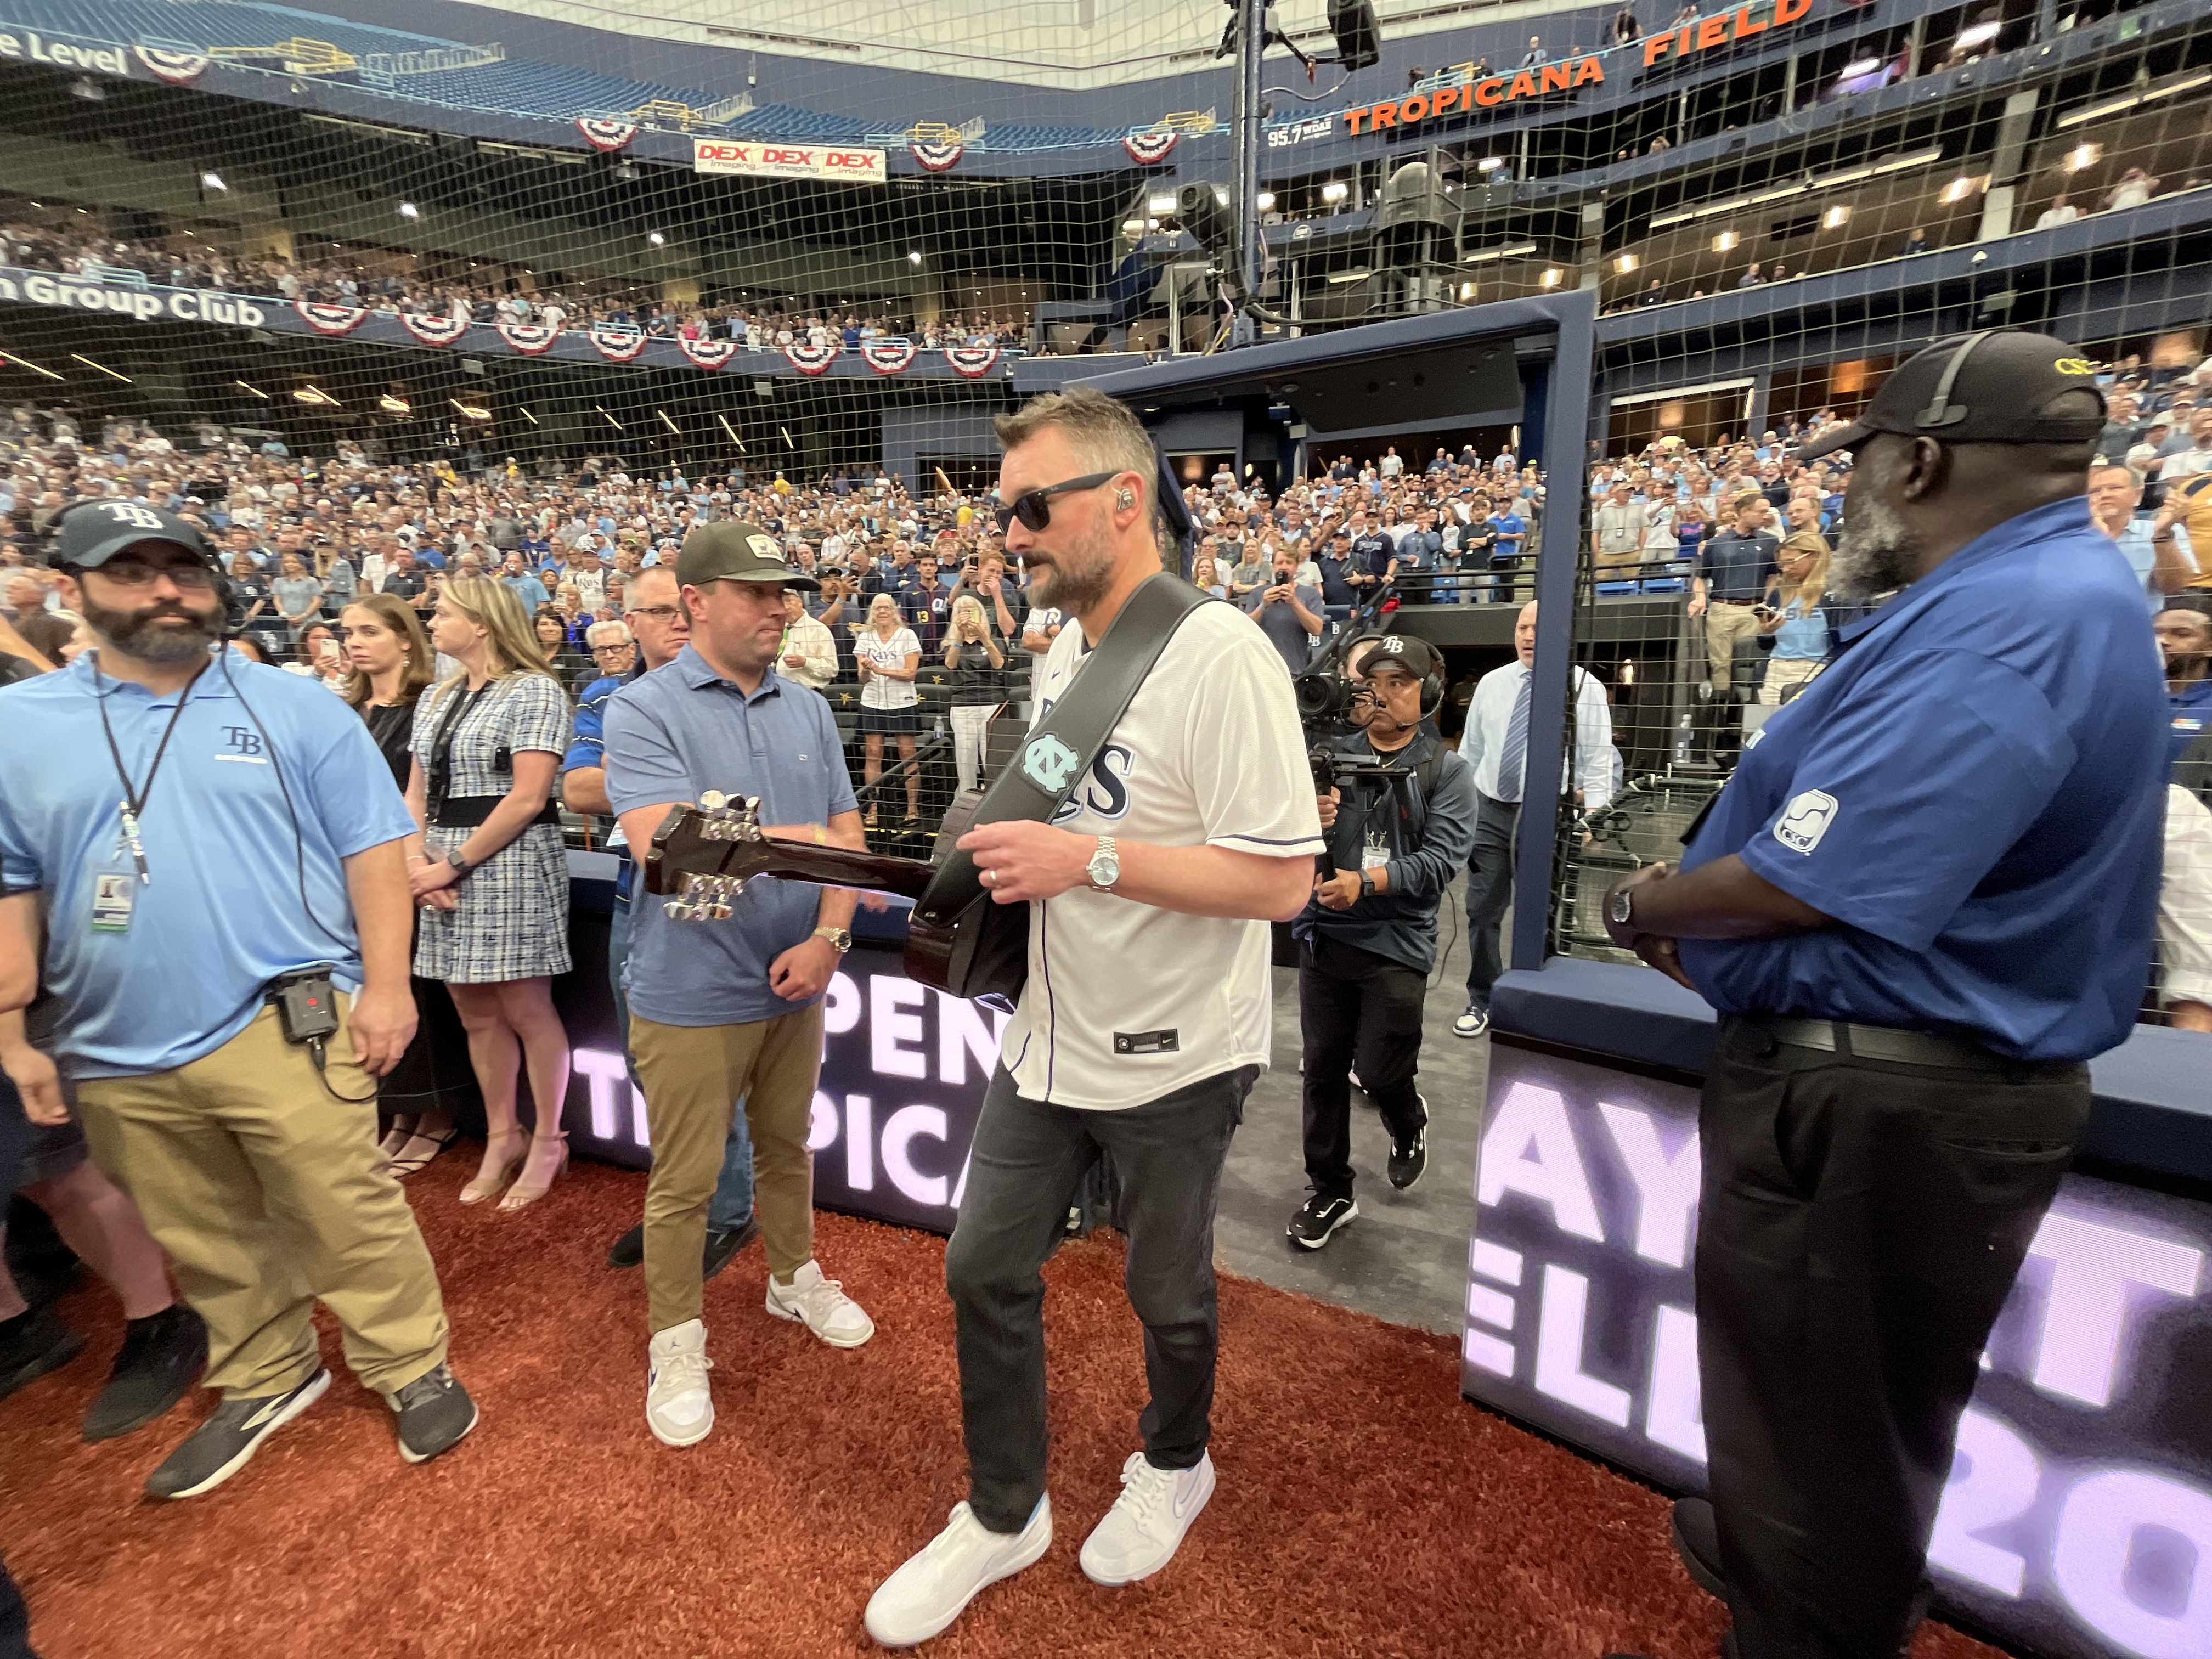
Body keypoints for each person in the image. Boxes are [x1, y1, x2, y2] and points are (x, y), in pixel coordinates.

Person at [1601, 334, 2165, 1659]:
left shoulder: (2020, 613)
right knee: (1831, 1427)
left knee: (1825, 1454)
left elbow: (1816, 881)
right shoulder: (2044, 588)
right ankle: (1780, 1557)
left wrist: (1641, 904)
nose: (1850, 494)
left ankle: (1798, 1595)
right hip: (1896, 1081)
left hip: (1884, 1095)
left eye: (1861, 465)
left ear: (1919, 460)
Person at [865, 387, 1321, 1647]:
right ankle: (1006, 1511)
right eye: (1006, 509)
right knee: (982, 1267)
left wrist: (1093, 862)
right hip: (1051, 1039)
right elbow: (1056, 832)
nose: (1009, 532)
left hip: (1182, 1053)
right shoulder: (1063, 651)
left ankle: (1177, 1459)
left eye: (1032, 506)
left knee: (1166, 1293)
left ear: (1126, 500)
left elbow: (1282, 878)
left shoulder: (1222, 654)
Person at [0, 501, 473, 1498]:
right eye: (133, 570)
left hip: (284, 1009)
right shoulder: (18, 723)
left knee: (343, 1201)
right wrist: (12, 1026)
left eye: (183, 567)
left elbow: (374, 854)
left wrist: (387, 988)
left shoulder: (295, 706)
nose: (166, 588)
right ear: (74, 588)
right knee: (198, 1221)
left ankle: (408, 1359)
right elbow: (12, 881)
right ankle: (267, 1369)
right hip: (108, 1036)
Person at [602, 521, 875, 1451]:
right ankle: (676, 1338)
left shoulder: (809, 707)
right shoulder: (643, 707)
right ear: (696, 601)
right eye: (757, 590)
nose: (779, 605)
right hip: (687, 986)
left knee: (788, 1147)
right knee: (684, 1180)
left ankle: (792, 1275)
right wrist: (801, 845)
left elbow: (850, 831)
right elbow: (673, 858)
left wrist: (833, 933)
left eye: (784, 590)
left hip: (796, 975)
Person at [561, 565, 761, 1284]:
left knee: (710, 1067)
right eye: (661, 611)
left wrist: (638, 776)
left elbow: (742, 802)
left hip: (723, 887)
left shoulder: (738, 687)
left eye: (688, 608)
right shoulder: (604, 695)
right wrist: (653, 775)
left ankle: (728, 1211)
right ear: (631, 624)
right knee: (654, 1065)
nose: (679, 621)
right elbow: (575, 786)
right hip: (630, 895)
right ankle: (684, 1204)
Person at [1288, 636, 1476, 1249]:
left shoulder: (1446, 771)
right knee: (1322, 1070)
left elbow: (1440, 861)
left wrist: (1365, 883)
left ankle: (1407, 1118)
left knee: (1377, 1069)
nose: (1384, 692)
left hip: (1396, 940)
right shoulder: (1327, 757)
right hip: (1324, 936)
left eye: (1400, 680)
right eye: (1376, 680)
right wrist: (1305, 821)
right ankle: (1331, 1190)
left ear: (1429, 692)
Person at [403, 577, 574, 1210]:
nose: (433, 621)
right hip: (442, 862)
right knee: (473, 1011)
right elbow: (415, 796)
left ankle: (550, 1139)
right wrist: (417, 863)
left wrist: (450, 866)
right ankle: (504, 1136)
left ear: (481, 623)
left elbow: (529, 797)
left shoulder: (535, 690)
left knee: (528, 1010)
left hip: (511, 862)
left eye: (443, 611)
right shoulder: (438, 697)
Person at [1452, 601, 1615, 1040]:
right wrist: (1460, 806)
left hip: (1548, 816)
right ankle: (1482, 998)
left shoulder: (1586, 689)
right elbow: (1472, 751)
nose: (1528, 635)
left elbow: (1599, 759)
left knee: (1544, 911)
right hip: (1489, 810)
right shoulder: (1492, 683)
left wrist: (1594, 818)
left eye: (1538, 628)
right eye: (1522, 626)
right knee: (1482, 909)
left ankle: (1540, 1004)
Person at [1688, 498, 1780, 697]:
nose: (1766, 516)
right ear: (1745, 512)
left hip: (1754, 609)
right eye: (1761, 511)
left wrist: (1765, 601)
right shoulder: (1716, 543)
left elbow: (1774, 575)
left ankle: (1747, 704)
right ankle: (1721, 710)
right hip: (1722, 607)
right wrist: (1699, 598)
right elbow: (1701, 577)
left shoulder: (1769, 542)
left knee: (1748, 662)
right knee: (1720, 663)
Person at [855, 591, 923, 826]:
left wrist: (880, 669)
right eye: (877, 608)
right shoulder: (865, 638)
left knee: (907, 755)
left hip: (902, 701)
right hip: (872, 701)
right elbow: (863, 678)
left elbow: (910, 673)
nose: (882, 611)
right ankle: (873, 809)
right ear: (872, 613)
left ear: (894, 611)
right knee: (873, 755)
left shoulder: (907, 635)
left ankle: (912, 809)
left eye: (886, 607)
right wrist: (865, 668)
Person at [943, 593, 1007, 795]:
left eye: (972, 612)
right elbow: (950, 665)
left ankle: (994, 804)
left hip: (991, 704)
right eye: (963, 612)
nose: (968, 617)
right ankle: (964, 808)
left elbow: (999, 665)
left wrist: (985, 638)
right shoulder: (950, 643)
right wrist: (960, 637)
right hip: (962, 706)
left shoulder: (995, 640)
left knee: (992, 761)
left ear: (981, 615)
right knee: (965, 762)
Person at [1753, 540, 1829, 704]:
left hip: (1818, 669)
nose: (1786, 569)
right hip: (1778, 667)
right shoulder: (1779, 593)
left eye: (1791, 562)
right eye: (1782, 565)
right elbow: (1764, 644)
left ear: (1815, 556)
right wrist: (1767, 631)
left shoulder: (1833, 593)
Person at [1240, 546, 1324, 675]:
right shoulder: (1258, 593)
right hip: (1261, 669)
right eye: (1279, 563)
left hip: (1294, 670)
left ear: (1296, 567)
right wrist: (1263, 605)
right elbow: (1245, 628)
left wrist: (1294, 602)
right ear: (1273, 567)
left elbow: (1317, 630)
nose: (1284, 567)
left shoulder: (1310, 593)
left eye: (1289, 563)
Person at [2156, 606, 2212, 768]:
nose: (2163, 641)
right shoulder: (2127, 696)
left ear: (2209, 647)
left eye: (2181, 634)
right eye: (2156, 633)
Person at [776, 588, 837, 692]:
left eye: (788, 601)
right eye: (780, 603)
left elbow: (832, 669)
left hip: (808, 692)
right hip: (779, 691)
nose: (786, 607)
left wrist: (805, 663)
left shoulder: (819, 630)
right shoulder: (777, 628)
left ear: (800, 601)